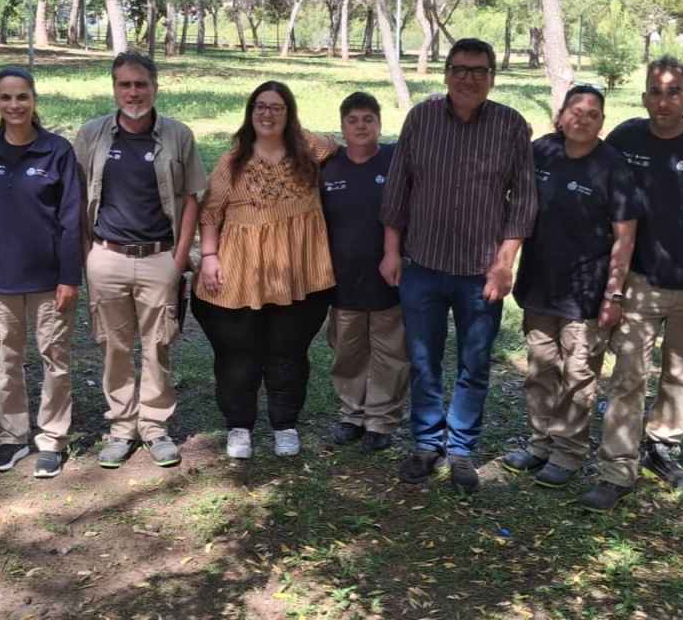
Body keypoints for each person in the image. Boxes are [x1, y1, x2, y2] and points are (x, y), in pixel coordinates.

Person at [578, 56, 683, 512]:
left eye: (673, 92)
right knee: (628, 376)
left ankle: (661, 448)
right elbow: (591, 174)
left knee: (681, 376)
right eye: (655, 91)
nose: (663, 100)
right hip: (641, 279)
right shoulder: (626, 137)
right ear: (644, 96)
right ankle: (616, 469)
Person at [379, 38, 537, 494]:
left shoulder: (510, 126)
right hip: (422, 263)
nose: (469, 78)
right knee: (423, 359)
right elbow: (397, 190)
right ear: (446, 73)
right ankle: (428, 444)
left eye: (479, 71)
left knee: (475, 362)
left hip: (480, 271)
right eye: (461, 69)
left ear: (492, 77)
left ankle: (463, 448)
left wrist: (504, 264)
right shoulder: (421, 119)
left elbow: (523, 201)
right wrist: (392, 251)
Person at [501, 83, 640, 489]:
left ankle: (567, 453)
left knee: (578, 377)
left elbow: (625, 236)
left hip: (586, 294)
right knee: (541, 371)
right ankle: (540, 443)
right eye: (575, 110)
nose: (582, 118)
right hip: (539, 285)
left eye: (592, 113)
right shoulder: (541, 151)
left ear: (602, 122)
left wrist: (614, 293)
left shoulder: (612, 166)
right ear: (561, 115)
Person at [73, 51, 207, 469]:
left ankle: (154, 426)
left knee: (158, 345)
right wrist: (88, 256)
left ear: (155, 87)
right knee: (113, 346)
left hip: (158, 258)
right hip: (106, 257)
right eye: (124, 85)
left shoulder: (178, 136)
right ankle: (121, 426)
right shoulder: (92, 135)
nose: (133, 93)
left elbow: (190, 201)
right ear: (114, 88)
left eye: (140, 84)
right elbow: (76, 201)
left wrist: (179, 258)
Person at [192, 81, 338, 459]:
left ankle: (284, 425)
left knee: (287, 353)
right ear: (250, 112)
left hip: (298, 273)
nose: (267, 114)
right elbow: (210, 213)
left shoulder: (308, 150)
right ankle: (239, 426)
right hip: (241, 274)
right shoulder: (233, 160)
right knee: (238, 355)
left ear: (289, 114)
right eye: (260, 106)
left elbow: (351, 140)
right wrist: (209, 257)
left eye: (276, 107)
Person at [0, 67, 83, 479]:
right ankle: (12, 437)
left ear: (34, 100)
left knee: (56, 359)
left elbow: (72, 219)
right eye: (6, 97)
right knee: (6, 361)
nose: (14, 105)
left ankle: (52, 438)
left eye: (22, 97)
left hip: (48, 281)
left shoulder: (57, 151)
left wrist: (69, 277)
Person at [320, 91, 406, 453]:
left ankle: (381, 421)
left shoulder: (395, 158)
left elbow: (430, 134)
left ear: (379, 124)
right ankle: (352, 414)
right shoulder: (328, 166)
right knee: (348, 352)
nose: (360, 126)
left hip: (389, 277)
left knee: (389, 353)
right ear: (341, 128)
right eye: (353, 120)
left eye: (367, 119)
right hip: (343, 279)